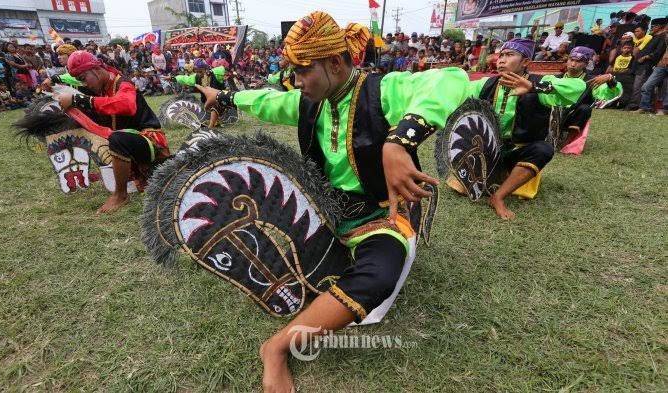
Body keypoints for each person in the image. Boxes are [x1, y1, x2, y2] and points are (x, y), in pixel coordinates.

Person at [197, 11, 470, 392]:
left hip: (379, 215)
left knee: (379, 277)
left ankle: (276, 348)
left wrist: (400, 141)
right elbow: (264, 100)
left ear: (336, 64)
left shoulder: (382, 91)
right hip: (324, 212)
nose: (296, 82)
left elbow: (451, 78)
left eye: (303, 71)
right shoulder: (310, 101)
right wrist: (224, 95)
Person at [465, 39, 586, 219]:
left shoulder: (539, 83)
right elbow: (459, 91)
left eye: (509, 55)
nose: (502, 60)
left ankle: (498, 197)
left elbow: (578, 86)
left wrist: (534, 88)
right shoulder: (486, 83)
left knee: (543, 149)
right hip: (486, 150)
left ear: (525, 62)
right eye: (501, 55)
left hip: (516, 152)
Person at [55, 51, 169, 213]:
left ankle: (120, 195)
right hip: (132, 143)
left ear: (95, 69)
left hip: (151, 141)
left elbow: (127, 105)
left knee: (117, 138)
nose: (84, 84)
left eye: (83, 78)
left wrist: (77, 100)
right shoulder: (102, 90)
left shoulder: (123, 83)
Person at [559, 46, 622, 139]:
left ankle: (570, 138)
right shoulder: (557, 77)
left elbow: (609, 93)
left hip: (571, 116)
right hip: (550, 114)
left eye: (578, 61)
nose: (573, 64)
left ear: (586, 64)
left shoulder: (592, 80)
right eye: (571, 60)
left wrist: (610, 79)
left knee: (585, 108)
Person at [635, 18, 667, 114]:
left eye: (653, 27)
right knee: (647, 86)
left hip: (659, 65)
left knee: (665, 89)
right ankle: (645, 107)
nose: (651, 29)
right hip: (661, 65)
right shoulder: (660, 36)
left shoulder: (662, 35)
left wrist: (646, 57)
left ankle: (665, 110)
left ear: (659, 27)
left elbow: (658, 51)